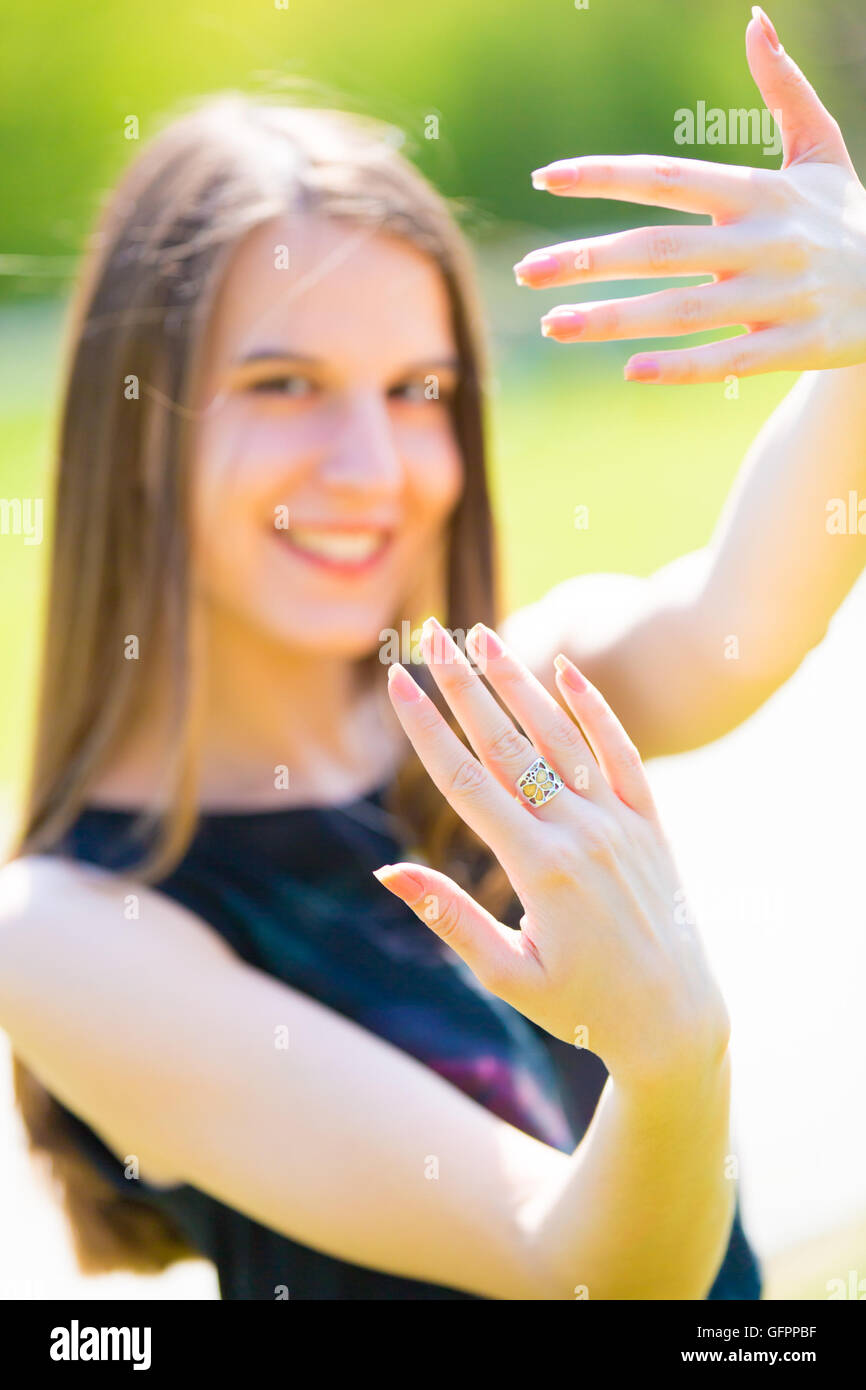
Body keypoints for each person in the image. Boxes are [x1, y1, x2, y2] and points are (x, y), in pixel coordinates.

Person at [0, 9, 861, 1298]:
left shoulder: (501, 711)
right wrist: (673, 1057)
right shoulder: (69, 931)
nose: (371, 470)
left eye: (418, 391)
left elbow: (740, 618)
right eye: (284, 384)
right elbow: (576, 1267)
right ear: (140, 429)